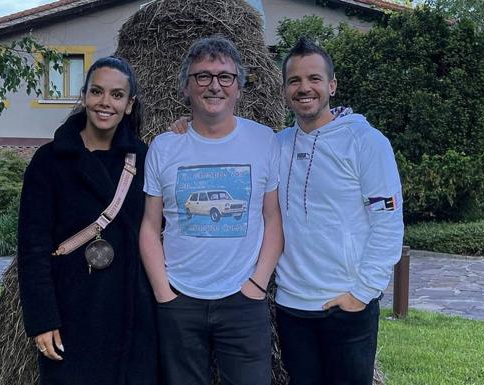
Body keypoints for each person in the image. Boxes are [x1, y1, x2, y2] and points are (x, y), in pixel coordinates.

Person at [139, 36, 283, 385]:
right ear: (186, 87)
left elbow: (273, 219)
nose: (214, 85)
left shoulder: (265, 141)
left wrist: (256, 285)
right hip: (179, 300)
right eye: (202, 76)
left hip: (243, 300)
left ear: (238, 87)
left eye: (225, 77)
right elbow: (149, 225)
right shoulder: (164, 146)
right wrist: (164, 292)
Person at [17, 56, 158, 385]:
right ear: (83, 96)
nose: (105, 102)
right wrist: (41, 319)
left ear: (129, 104)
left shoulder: (146, 157)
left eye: (117, 95)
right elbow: (32, 247)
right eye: (97, 92)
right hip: (71, 311)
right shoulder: (49, 161)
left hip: (133, 312)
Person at [274, 37, 404, 385]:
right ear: (285, 88)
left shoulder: (366, 142)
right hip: (292, 306)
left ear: (331, 85)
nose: (305, 88)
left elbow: (388, 223)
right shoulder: (276, 144)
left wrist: (361, 293)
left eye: (314, 79)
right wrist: (184, 126)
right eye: (294, 81)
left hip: (345, 306)